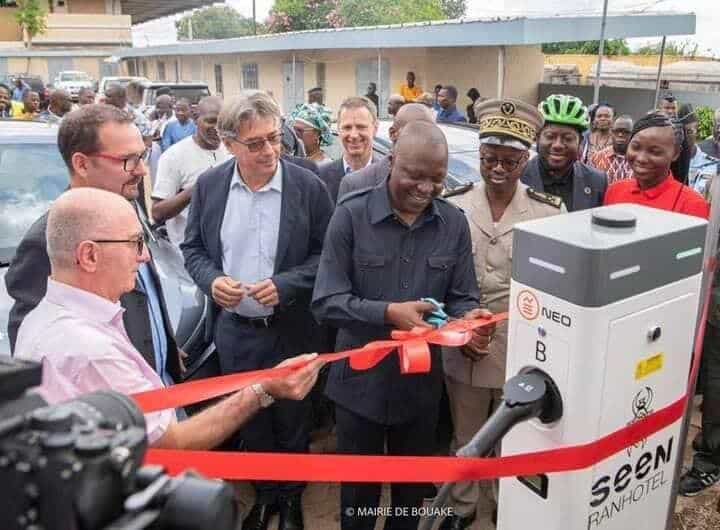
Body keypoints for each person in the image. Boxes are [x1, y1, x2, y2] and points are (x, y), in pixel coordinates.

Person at [15, 187, 325, 451]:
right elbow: (172, 439)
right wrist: (264, 389)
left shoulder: (45, 318)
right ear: (89, 255)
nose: (145, 256)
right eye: (135, 243)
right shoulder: (89, 352)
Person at [312, 121, 492, 530]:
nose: (426, 188)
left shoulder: (453, 223)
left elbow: (463, 297)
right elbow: (325, 302)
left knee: (410, 502)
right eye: (415, 175)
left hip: (421, 392)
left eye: (437, 179)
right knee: (358, 500)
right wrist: (388, 312)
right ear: (391, 162)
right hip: (360, 392)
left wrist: (472, 326)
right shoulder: (351, 216)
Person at [181, 90, 334, 530]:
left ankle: (290, 501)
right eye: (255, 143)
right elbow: (192, 249)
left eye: (274, 139)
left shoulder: (308, 185)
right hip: (236, 331)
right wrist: (212, 281)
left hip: (293, 329)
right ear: (229, 144)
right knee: (251, 418)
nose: (269, 151)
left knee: (293, 421)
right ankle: (266, 495)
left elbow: (328, 256)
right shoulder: (210, 187)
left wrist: (286, 285)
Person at [440, 98, 565, 530]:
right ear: (479, 156)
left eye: (510, 160)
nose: (498, 168)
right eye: (490, 157)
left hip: (521, 346)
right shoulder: (451, 204)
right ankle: (462, 507)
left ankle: (506, 510)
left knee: (515, 438)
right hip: (464, 344)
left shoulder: (550, 212)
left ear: (525, 159)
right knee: (466, 433)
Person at [5, 104, 182, 388]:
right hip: (120, 413)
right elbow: (38, 361)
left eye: (142, 156)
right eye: (128, 160)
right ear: (82, 164)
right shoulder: (50, 239)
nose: (142, 170)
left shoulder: (126, 203)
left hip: (162, 389)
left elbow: (142, 297)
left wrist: (163, 346)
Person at [151, 96, 231, 248]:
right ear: (196, 118)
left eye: (222, 123)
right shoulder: (174, 157)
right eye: (211, 121)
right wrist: (197, 188)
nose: (217, 128)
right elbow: (157, 214)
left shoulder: (232, 150)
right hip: (188, 255)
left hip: (227, 251)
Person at [604, 112, 708, 219]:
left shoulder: (692, 205)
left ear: (676, 153)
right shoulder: (614, 190)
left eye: (654, 152)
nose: (641, 158)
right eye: (635, 147)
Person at [521, 94, 607, 212]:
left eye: (568, 138)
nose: (558, 145)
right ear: (537, 138)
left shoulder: (597, 181)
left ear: (580, 142)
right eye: (550, 136)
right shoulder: (517, 176)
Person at [337, 103, 434, 201]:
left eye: (429, 133)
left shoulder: (437, 185)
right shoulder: (355, 183)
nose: (422, 139)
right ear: (392, 134)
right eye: (414, 132)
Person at [318, 96, 379, 203]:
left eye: (361, 127)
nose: (354, 135)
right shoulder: (319, 178)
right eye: (347, 127)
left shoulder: (388, 177)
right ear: (338, 129)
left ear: (375, 129)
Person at [679, 103, 717, 197]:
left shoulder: (712, 165)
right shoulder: (669, 163)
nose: (684, 136)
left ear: (697, 131)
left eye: (689, 131)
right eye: (681, 131)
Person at [589, 115, 634, 185]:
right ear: (611, 133)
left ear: (633, 134)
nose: (620, 134)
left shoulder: (638, 160)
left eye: (626, 132)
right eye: (616, 131)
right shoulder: (597, 158)